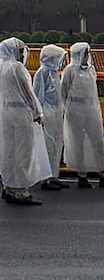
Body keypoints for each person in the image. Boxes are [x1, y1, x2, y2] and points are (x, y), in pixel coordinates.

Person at [0, 37, 50, 205]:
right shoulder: (17, 68)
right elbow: (28, 92)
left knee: (8, 150)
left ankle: (9, 186)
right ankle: (21, 190)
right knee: (24, 151)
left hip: (6, 112)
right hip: (21, 112)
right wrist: (37, 112)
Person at [62, 42, 104, 188]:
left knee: (98, 140)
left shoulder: (91, 69)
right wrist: (65, 109)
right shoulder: (69, 70)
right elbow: (64, 91)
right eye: (85, 53)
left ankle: (102, 172)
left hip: (91, 110)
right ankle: (82, 175)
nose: (87, 56)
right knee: (78, 143)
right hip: (75, 111)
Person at [33, 45, 68, 190]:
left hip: (55, 112)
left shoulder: (53, 73)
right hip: (47, 112)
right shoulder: (43, 73)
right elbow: (38, 94)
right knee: (47, 145)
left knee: (56, 144)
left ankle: (54, 175)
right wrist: (39, 114)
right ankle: (45, 178)